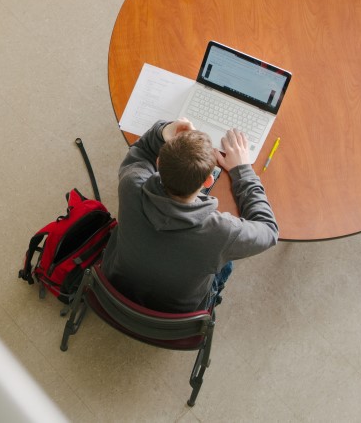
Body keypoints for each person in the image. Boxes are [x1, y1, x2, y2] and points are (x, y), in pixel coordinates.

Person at [100, 118, 278, 313]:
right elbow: (268, 230)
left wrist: (165, 130)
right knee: (226, 264)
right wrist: (242, 170)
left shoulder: (131, 185)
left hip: (113, 287)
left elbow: (142, 151)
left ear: (159, 163)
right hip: (176, 314)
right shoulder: (222, 233)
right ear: (209, 181)